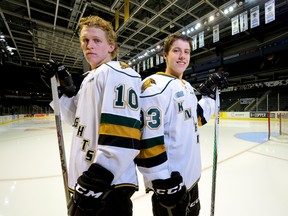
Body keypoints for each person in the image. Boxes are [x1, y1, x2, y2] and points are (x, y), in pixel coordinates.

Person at [41, 16, 142, 216]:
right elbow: (77, 120)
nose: (89, 45)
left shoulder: (117, 72)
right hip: (90, 181)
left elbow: (123, 135)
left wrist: (94, 182)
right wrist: (62, 92)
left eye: (97, 40)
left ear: (111, 47)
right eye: (85, 40)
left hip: (107, 185)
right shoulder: (91, 77)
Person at [135, 32, 228, 216]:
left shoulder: (187, 87)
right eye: (176, 50)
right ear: (165, 55)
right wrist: (162, 182)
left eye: (186, 52)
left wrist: (209, 94)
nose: (182, 56)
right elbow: (147, 139)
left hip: (191, 179)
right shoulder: (154, 86)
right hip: (171, 184)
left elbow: (197, 118)